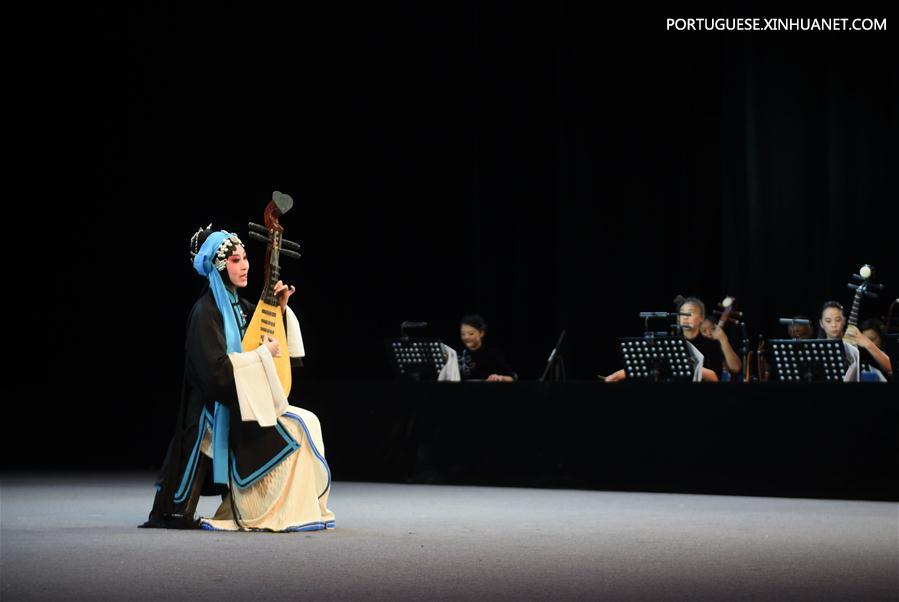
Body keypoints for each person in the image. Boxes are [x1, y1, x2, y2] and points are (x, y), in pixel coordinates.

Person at [141, 225, 334, 532]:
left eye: (245, 258)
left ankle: (293, 508)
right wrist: (261, 355)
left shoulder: (240, 307)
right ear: (218, 266)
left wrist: (280, 310)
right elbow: (216, 374)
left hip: (242, 401)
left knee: (309, 420)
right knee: (299, 427)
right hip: (217, 409)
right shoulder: (205, 312)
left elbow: (265, 336)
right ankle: (261, 510)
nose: (244, 266)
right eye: (235, 260)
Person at [605, 296, 741, 382]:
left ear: (701, 318)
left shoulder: (711, 344)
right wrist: (620, 374)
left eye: (690, 313)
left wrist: (723, 340)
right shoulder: (670, 342)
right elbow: (650, 364)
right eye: (682, 314)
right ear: (678, 319)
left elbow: (721, 375)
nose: (685, 317)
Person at [458, 315, 517, 381]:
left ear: (481, 333)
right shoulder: (457, 354)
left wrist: (500, 377)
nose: (466, 337)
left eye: (471, 333)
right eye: (463, 334)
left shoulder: (492, 354)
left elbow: (512, 378)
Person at [817, 300, 861, 382]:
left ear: (844, 320)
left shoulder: (853, 347)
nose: (834, 325)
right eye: (828, 321)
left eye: (838, 320)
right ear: (821, 323)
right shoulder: (817, 350)